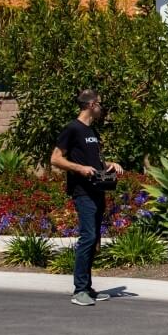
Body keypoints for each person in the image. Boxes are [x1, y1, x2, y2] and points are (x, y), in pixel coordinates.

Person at [50, 89, 122, 306]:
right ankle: (79, 290)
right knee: (88, 237)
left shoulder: (92, 132)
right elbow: (55, 158)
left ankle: (88, 288)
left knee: (94, 241)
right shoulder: (72, 129)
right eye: (99, 104)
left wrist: (110, 165)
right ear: (91, 105)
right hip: (82, 192)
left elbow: (96, 162)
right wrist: (79, 169)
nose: (101, 108)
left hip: (97, 190)